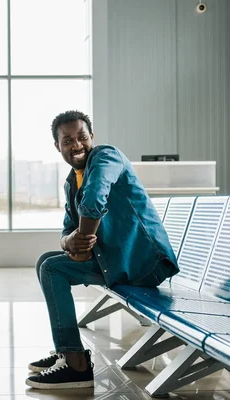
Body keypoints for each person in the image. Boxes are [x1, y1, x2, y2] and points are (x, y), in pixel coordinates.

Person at [25, 110, 179, 390]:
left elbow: (96, 197)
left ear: (92, 137)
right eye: (68, 140)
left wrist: (82, 240)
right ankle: (67, 352)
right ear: (57, 146)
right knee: (46, 259)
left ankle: (76, 366)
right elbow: (65, 229)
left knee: (52, 269)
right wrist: (70, 242)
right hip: (117, 261)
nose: (77, 145)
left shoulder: (106, 156)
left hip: (144, 261)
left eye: (82, 137)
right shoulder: (72, 181)